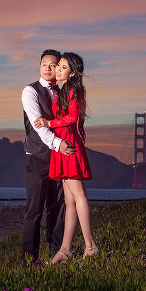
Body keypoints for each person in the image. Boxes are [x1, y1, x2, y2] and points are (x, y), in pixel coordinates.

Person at [33, 52, 99, 263]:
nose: (57, 70)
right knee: (69, 202)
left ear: (72, 73)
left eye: (62, 67)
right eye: (58, 66)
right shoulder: (66, 89)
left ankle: (90, 246)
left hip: (68, 146)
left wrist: (48, 123)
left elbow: (71, 118)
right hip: (63, 146)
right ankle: (65, 250)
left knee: (79, 196)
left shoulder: (73, 89)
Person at [21, 49, 76, 266]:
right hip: (36, 157)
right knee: (34, 210)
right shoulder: (30, 91)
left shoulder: (63, 92)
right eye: (44, 63)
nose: (47, 68)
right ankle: (29, 261)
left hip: (58, 158)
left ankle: (57, 254)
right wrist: (58, 144)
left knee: (57, 207)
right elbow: (38, 127)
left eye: (53, 65)